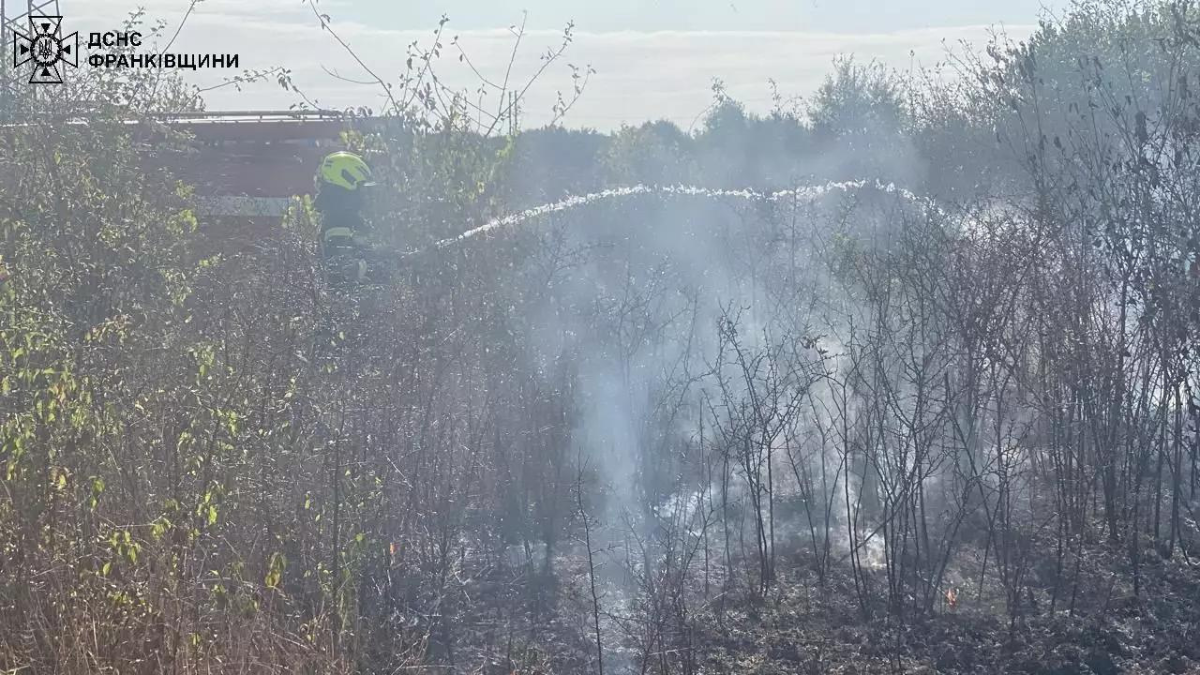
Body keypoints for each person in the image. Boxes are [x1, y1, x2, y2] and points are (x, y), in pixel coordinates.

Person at [314, 151, 377, 284]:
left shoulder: (340, 214)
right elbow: (342, 267)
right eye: (360, 186)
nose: (363, 193)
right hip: (350, 300)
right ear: (347, 180)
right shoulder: (338, 219)